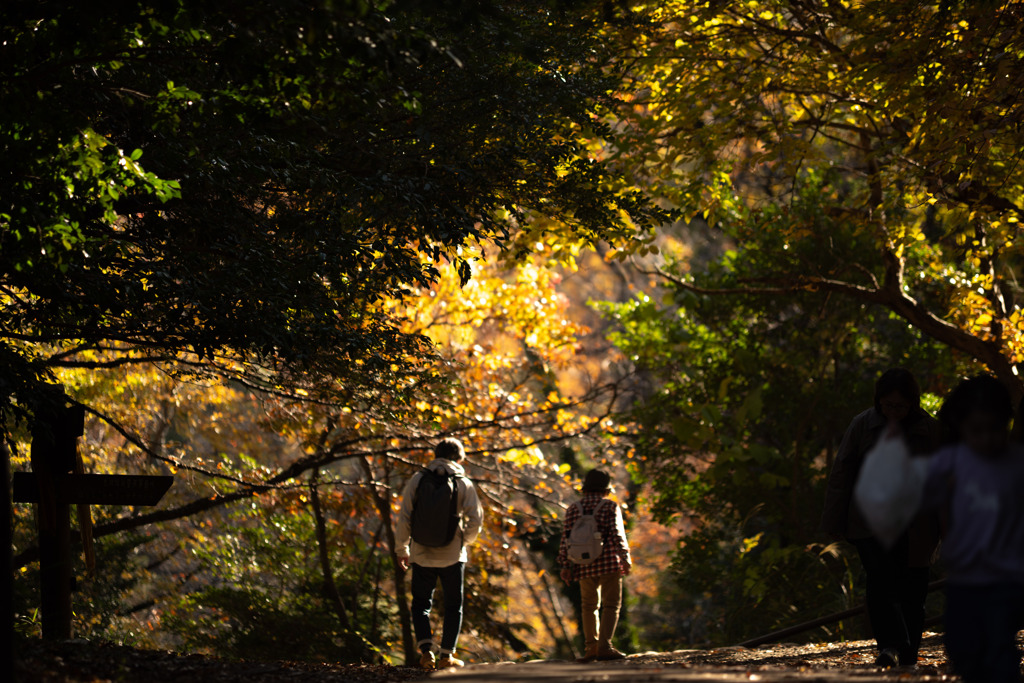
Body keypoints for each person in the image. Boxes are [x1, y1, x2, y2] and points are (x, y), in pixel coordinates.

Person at [820, 368, 942, 667]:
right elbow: (842, 474)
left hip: (917, 524)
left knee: (912, 590)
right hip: (869, 520)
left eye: (900, 406)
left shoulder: (932, 431)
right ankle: (890, 646)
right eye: (888, 406)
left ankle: (909, 654)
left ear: (912, 403)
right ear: (879, 402)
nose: (894, 412)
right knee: (880, 583)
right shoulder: (862, 426)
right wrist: (833, 521)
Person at [920, 374, 1024, 683]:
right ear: (961, 427)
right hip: (964, 576)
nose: (987, 439)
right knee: (961, 645)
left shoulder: (1018, 464)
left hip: (1008, 576)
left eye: (995, 429)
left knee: (999, 645)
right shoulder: (950, 462)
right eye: (977, 431)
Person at [396, 438, 483, 670]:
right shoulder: (463, 482)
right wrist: (465, 541)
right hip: (453, 555)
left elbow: (405, 516)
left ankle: (426, 654)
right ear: (459, 458)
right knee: (454, 605)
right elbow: (476, 519)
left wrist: (402, 548)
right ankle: (446, 656)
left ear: (436, 455)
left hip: (421, 552)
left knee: (421, 603)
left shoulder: (418, 479)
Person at [557, 468, 632, 663]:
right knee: (611, 605)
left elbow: (566, 539)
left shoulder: (573, 508)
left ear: (586, 487)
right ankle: (605, 647)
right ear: (606, 488)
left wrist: (565, 565)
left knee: (588, 606)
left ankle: (591, 648)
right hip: (608, 563)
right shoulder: (610, 507)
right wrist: (625, 558)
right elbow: (617, 534)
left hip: (583, 564)